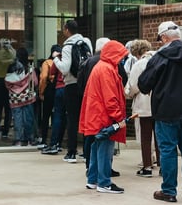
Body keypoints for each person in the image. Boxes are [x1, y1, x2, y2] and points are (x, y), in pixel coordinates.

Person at [137, 21, 182, 203]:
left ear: (165, 37)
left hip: (166, 111)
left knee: (167, 150)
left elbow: (144, 84)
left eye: (160, 39)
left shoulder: (160, 58)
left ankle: (169, 191)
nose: (160, 43)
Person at [78, 40, 129, 193]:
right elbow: (110, 98)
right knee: (105, 149)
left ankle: (92, 180)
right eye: (120, 56)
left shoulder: (101, 67)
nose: (122, 59)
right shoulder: (107, 69)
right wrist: (119, 118)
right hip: (104, 117)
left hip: (96, 115)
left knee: (96, 146)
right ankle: (104, 182)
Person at [53, 20, 93, 164]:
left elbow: (64, 68)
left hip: (71, 85)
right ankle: (87, 152)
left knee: (72, 119)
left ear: (66, 30)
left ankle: (71, 152)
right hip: (86, 84)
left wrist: (55, 59)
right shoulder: (86, 42)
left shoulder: (67, 46)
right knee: (87, 118)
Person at [125, 39, 158, 177]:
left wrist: (128, 93)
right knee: (160, 136)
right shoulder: (160, 60)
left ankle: (147, 166)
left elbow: (133, 86)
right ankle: (163, 165)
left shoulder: (139, 64)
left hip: (143, 104)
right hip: (159, 104)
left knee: (145, 137)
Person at [4, 48, 38, 146]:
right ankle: (30, 138)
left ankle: (18, 139)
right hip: (27, 97)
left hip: (14, 98)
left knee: (17, 119)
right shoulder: (29, 68)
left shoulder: (10, 68)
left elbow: (7, 83)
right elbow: (35, 82)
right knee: (28, 118)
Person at [38, 45, 63, 151]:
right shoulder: (63, 62)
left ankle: (44, 139)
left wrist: (41, 92)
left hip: (49, 91)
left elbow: (43, 78)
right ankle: (58, 142)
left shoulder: (47, 63)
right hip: (60, 90)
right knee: (58, 117)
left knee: (46, 116)